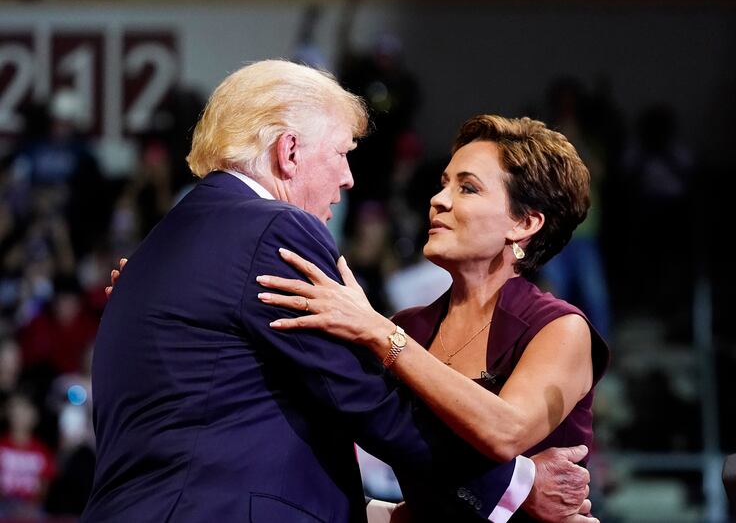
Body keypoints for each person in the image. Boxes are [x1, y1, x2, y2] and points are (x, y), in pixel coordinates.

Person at [84, 61, 597, 523]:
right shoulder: (278, 234)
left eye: (467, 187)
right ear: (289, 151)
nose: (350, 178)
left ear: (526, 223)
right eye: (342, 153)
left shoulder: (161, 247)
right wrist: (518, 488)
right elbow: (365, 402)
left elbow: (285, 430)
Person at [256, 115, 609, 521]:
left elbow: (505, 431)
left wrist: (379, 331)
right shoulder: (409, 328)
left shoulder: (559, 328)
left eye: (468, 188)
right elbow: (427, 469)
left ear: (524, 223)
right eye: (444, 183)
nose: (439, 200)